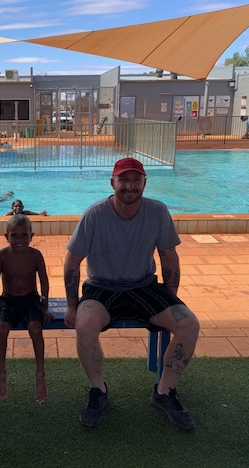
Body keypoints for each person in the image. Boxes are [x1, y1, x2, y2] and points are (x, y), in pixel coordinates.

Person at [63, 157, 200, 430]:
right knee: (85, 325)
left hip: (143, 285)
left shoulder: (158, 212)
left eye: (136, 180)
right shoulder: (95, 214)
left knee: (189, 324)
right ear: (112, 183)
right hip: (102, 286)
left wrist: (170, 296)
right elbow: (72, 261)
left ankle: (164, 392)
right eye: (123, 180)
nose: (130, 186)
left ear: (144, 183)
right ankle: (97, 390)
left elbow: (169, 256)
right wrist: (71, 306)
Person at [0, 214, 52, 403]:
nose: (19, 240)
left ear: (31, 235)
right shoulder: (2, 256)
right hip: (8, 300)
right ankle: (1, 373)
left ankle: (40, 374)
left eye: (24, 235)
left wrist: (45, 307)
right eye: (14, 235)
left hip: (31, 299)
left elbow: (44, 281)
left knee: (35, 328)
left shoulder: (35, 255)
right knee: (1, 329)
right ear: (6, 236)